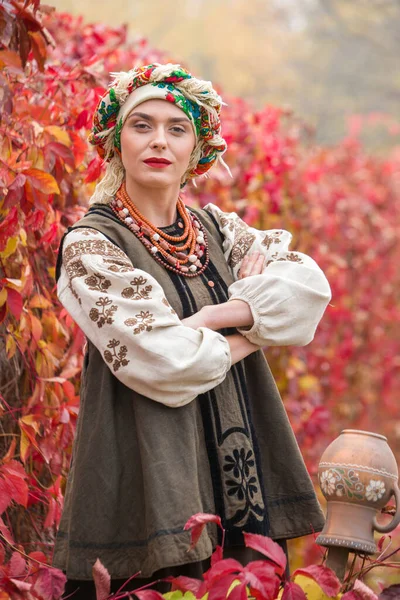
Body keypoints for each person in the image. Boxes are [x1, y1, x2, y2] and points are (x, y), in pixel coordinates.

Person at [54, 63, 332, 598]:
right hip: (145, 467)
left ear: (196, 149)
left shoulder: (218, 230)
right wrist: (257, 324)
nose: (159, 140)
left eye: (176, 128)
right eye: (142, 125)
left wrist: (211, 318)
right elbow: (166, 360)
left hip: (240, 464)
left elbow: (308, 293)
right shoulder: (92, 245)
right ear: (115, 143)